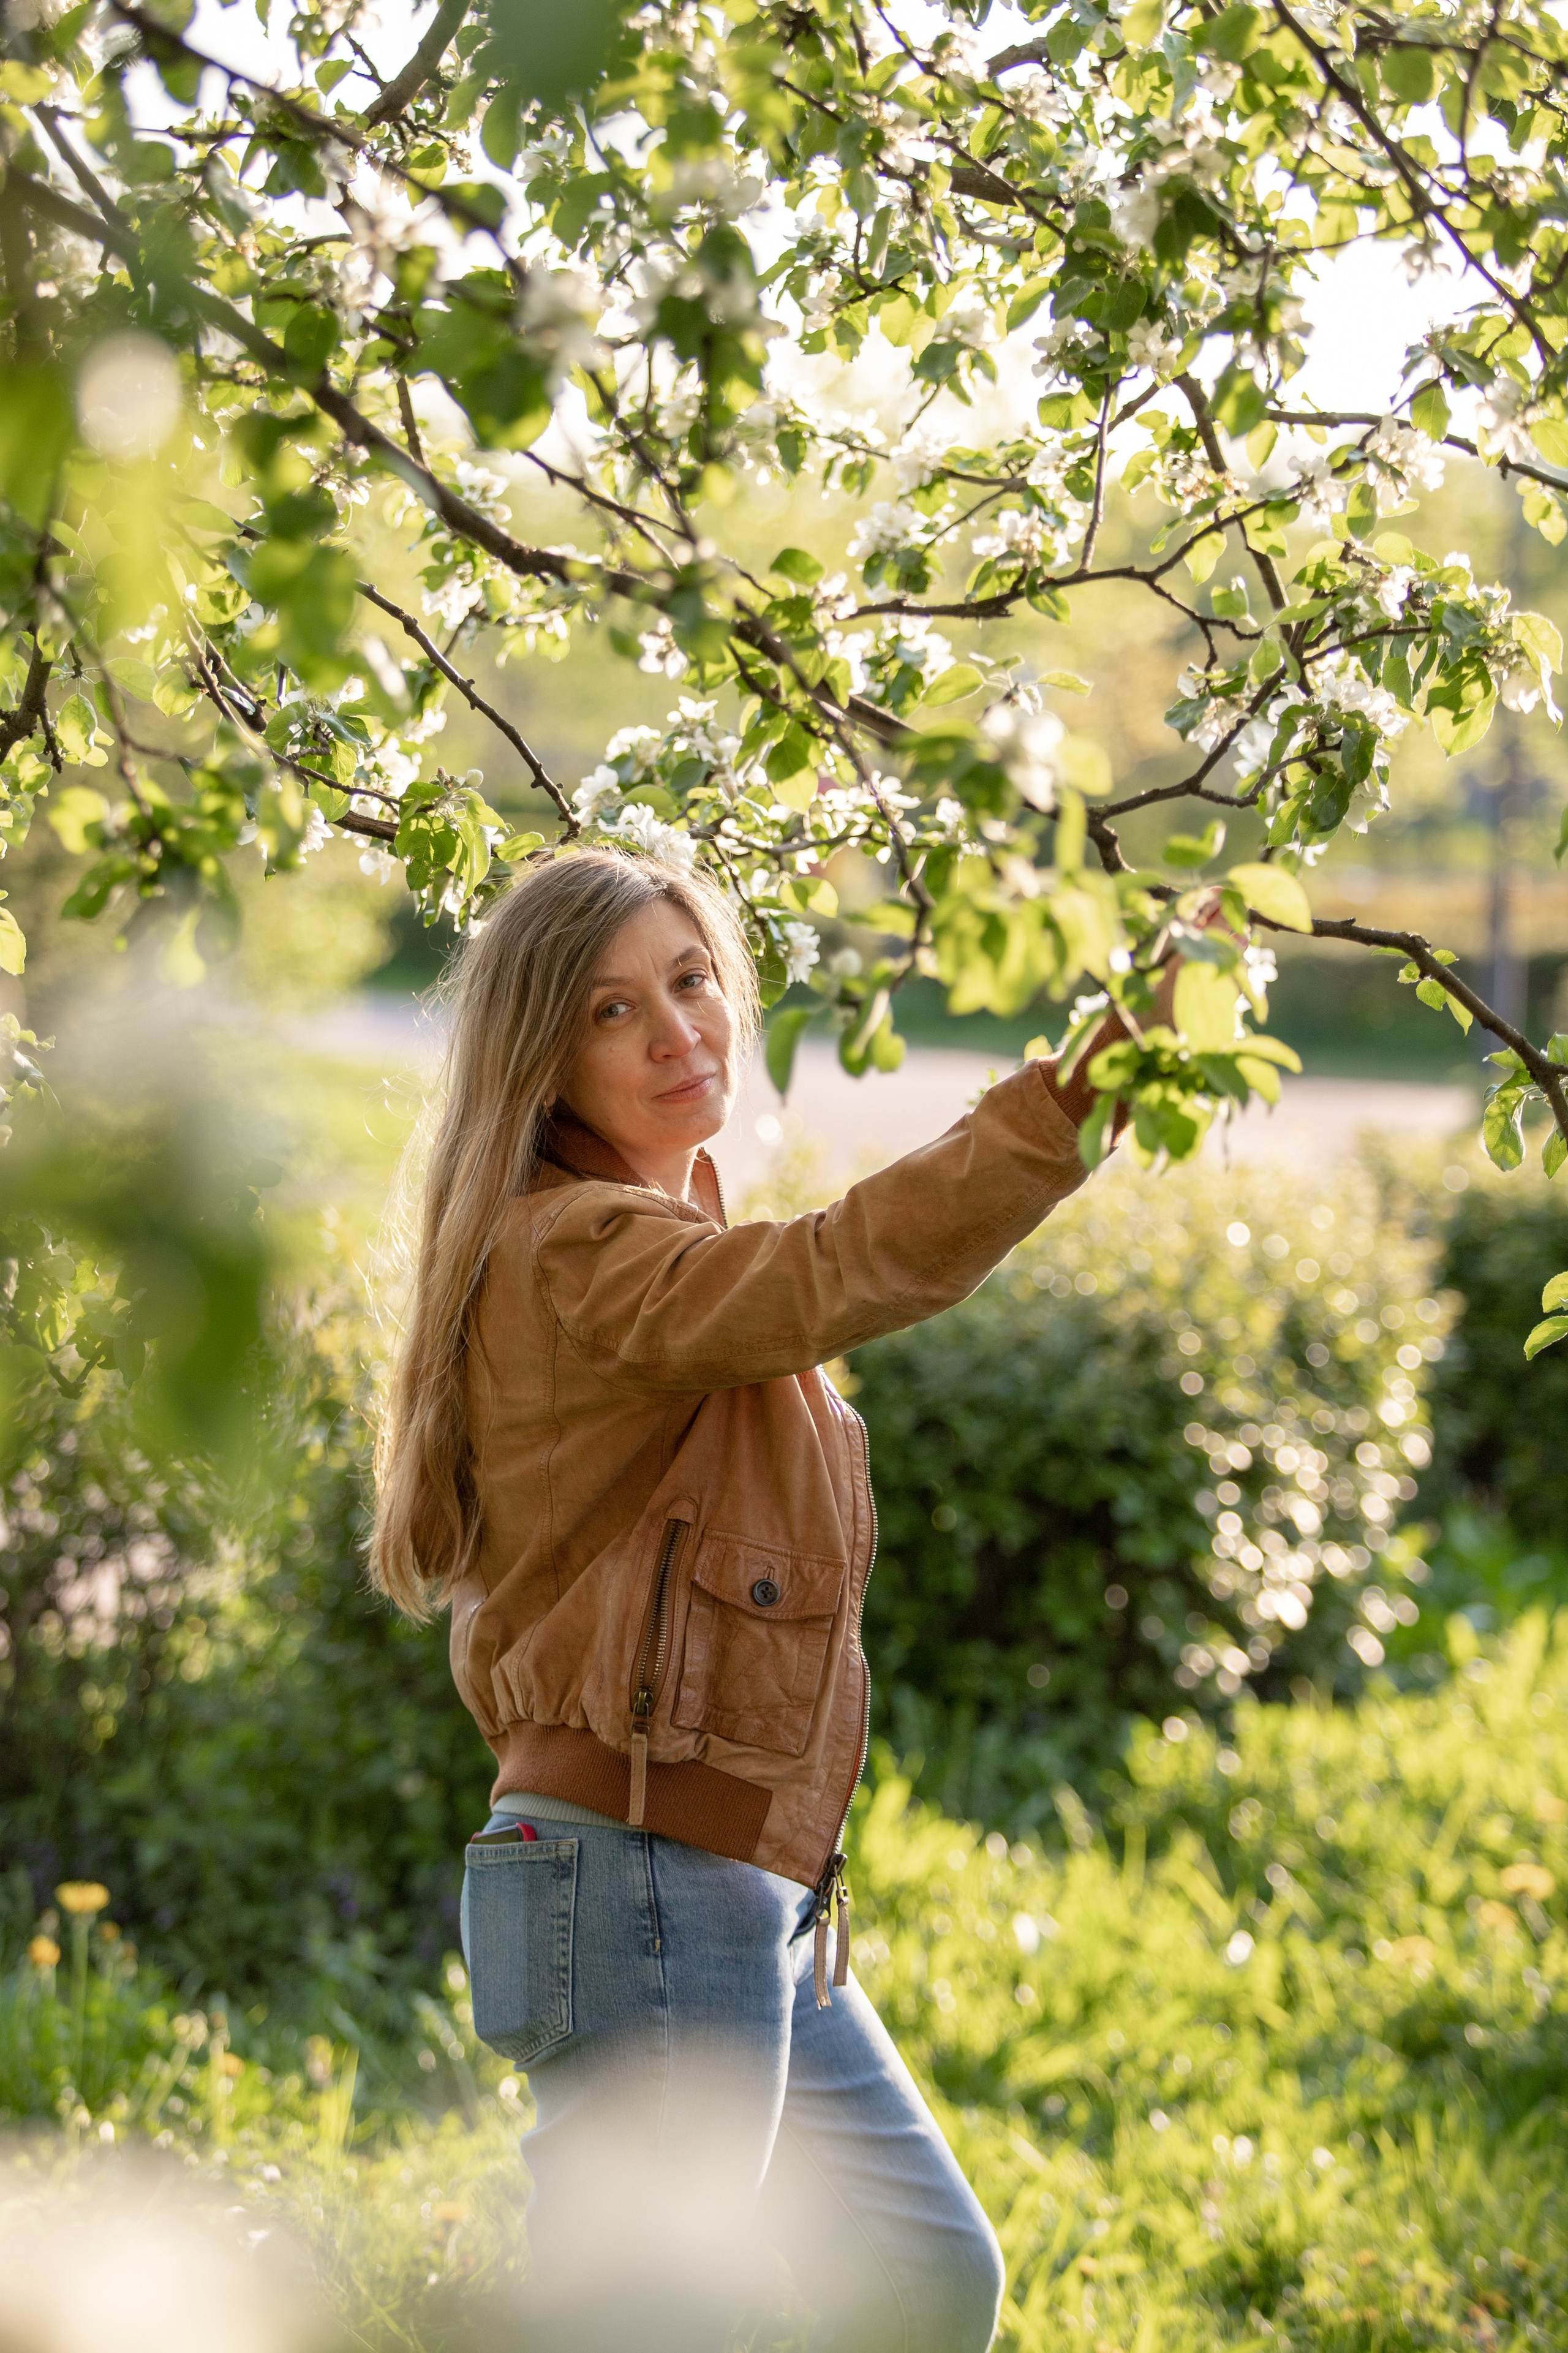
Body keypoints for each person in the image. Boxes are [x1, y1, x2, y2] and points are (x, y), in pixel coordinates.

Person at [371, 847, 1188, 2352]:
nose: (677, 1030)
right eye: (615, 1011)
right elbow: (837, 1266)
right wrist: (1078, 1089)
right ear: (546, 1061)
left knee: (926, 2277)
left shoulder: (640, 1240)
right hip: (637, 1875)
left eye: (691, 981)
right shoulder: (576, 1249)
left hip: (723, 1882)